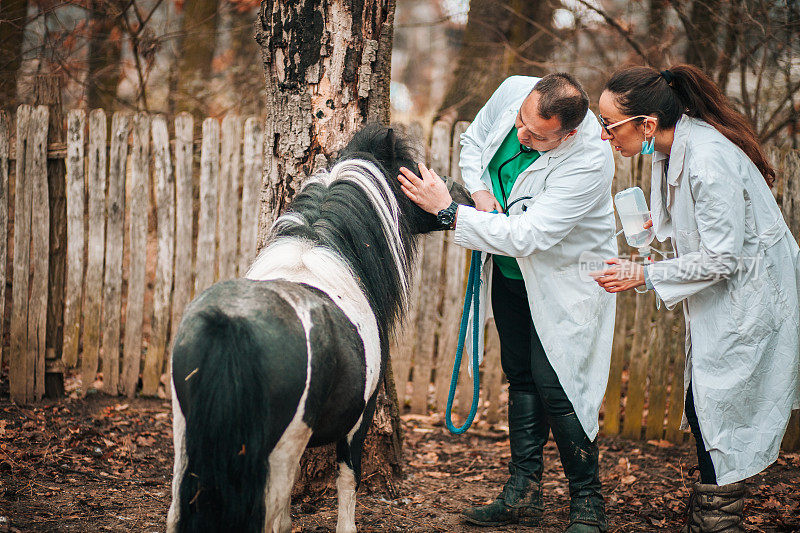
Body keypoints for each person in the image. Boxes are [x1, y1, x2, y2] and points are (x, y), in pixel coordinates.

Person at [398, 73, 616, 533]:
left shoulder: (590, 159)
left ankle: (588, 504)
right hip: (510, 271)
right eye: (522, 122)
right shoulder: (517, 88)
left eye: (537, 136)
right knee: (520, 374)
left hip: (563, 280)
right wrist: (478, 192)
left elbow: (530, 235)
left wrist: (452, 212)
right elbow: (474, 141)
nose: (522, 136)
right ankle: (523, 493)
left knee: (557, 385)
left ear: (568, 134)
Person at [592, 64, 800, 532]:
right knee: (705, 404)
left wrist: (642, 273)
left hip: (751, 294)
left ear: (646, 124)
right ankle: (713, 514)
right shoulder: (670, 148)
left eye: (610, 125)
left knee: (717, 407)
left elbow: (721, 256)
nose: (605, 135)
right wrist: (654, 229)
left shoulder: (707, 157)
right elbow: (695, 224)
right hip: (726, 295)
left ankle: (717, 520)